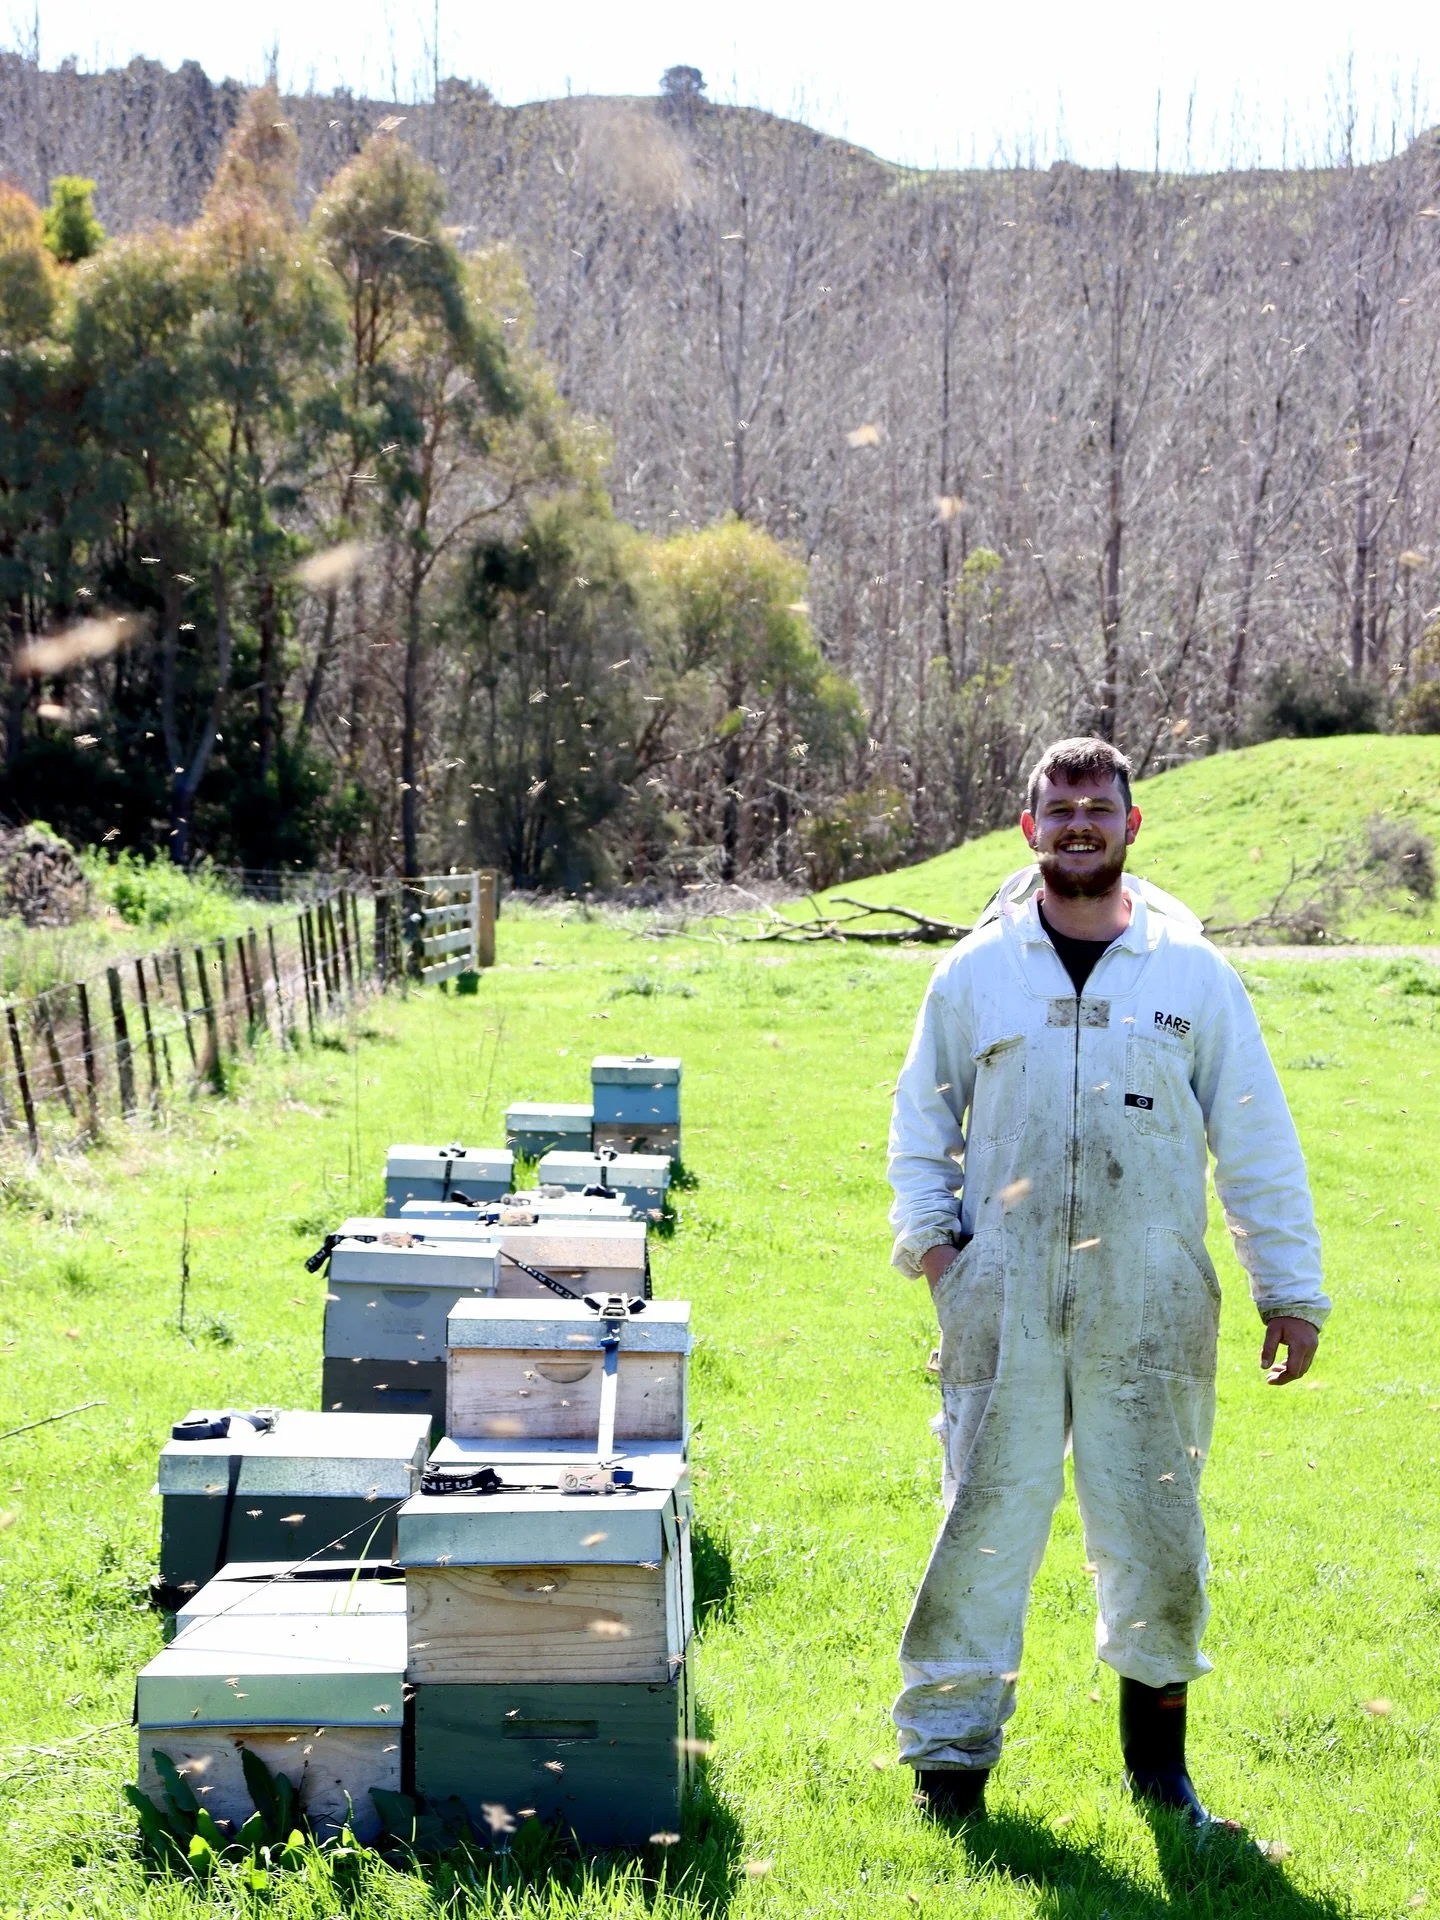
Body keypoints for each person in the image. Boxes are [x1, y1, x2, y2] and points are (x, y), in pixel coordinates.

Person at [885, 735, 1328, 1828]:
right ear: (1029, 830)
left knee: (1158, 1533)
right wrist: (942, 1255)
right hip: (1005, 1300)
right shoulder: (976, 971)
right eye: (1060, 809)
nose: (1080, 825)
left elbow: (1256, 1136)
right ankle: (950, 1777)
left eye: (1099, 808)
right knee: (980, 1530)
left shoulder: (1193, 973)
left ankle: (1159, 1776)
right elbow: (919, 1125)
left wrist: (1291, 1290)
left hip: (1152, 1300)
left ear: (1134, 826)